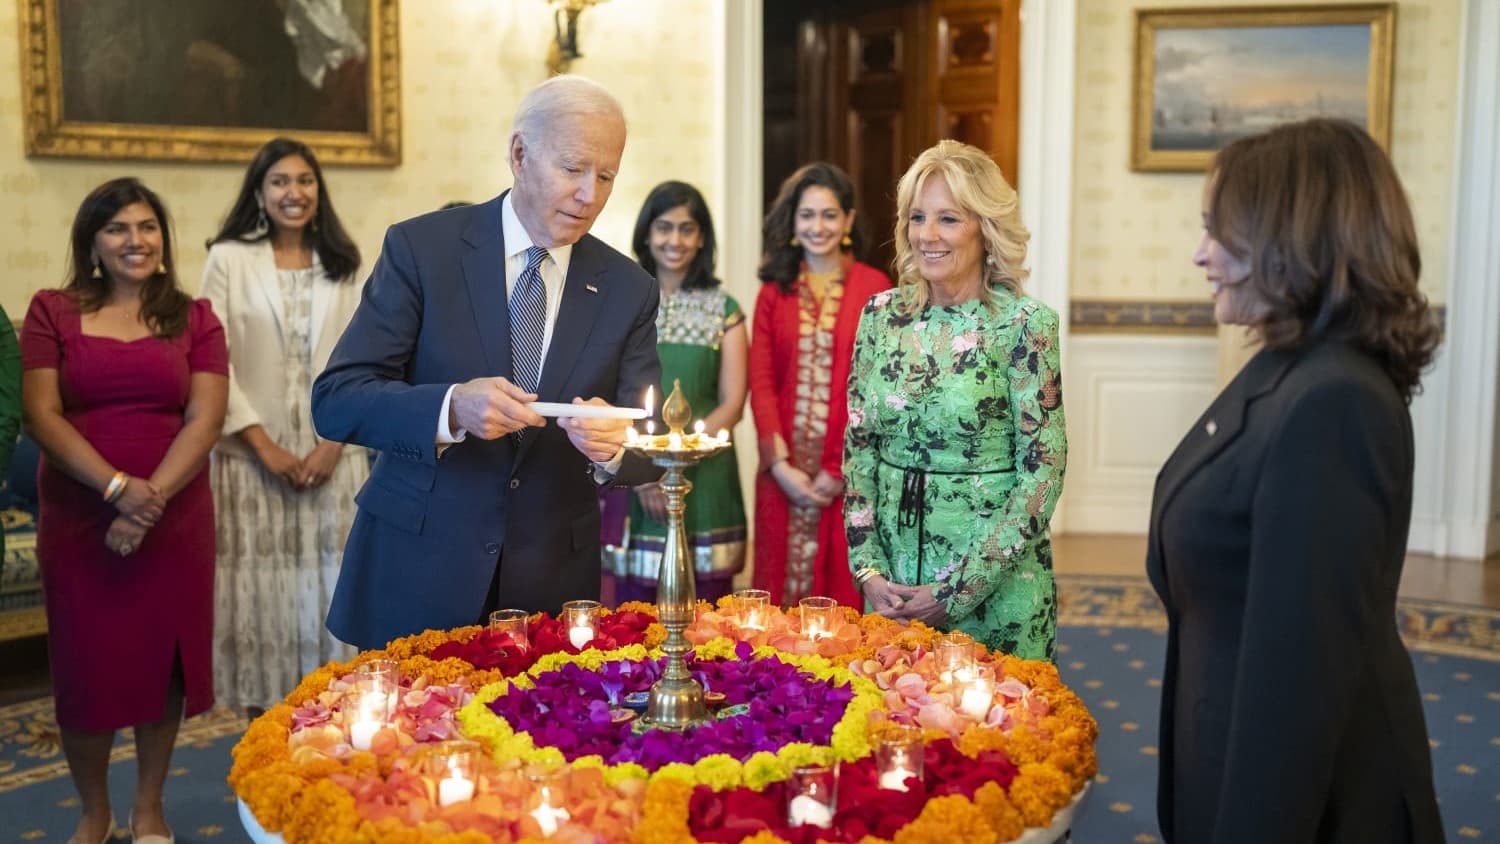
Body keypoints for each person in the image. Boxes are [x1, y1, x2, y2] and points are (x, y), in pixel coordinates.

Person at [1146, 118, 1443, 842]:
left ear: (1290, 240)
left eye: (1220, 232)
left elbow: (1297, 691)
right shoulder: (1289, 369)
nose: (1201, 256)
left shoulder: (1332, 402)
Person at [311, 75, 661, 650]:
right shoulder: (423, 250)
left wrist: (616, 447)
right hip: (419, 563)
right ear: (520, 154)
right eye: (573, 169)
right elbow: (338, 398)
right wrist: (449, 408)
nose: (589, 195)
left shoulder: (628, 287)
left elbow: (654, 441)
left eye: (606, 176)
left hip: (549, 585)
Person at [21, 178, 228, 844]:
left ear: (163, 241)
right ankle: (92, 811)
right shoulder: (52, 310)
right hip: (81, 518)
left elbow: (205, 418)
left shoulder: (195, 317)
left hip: (175, 517)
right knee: (85, 668)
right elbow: (41, 415)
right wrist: (116, 489)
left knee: (160, 664)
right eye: (116, 229)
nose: (133, 240)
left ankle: (148, 809)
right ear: (93, 243)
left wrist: (148, 501)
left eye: (146, 227)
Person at [841, 141, 1066, 659]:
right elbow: (858, 452)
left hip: (996, 590)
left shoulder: (1025, 326)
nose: (927, 235)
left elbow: (1044, 471)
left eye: (948, 218)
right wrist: (869, 571)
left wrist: (958, 590)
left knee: (998, 735)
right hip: (893, 588)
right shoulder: (879, 316)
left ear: (985, 229)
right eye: (917, 217)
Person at [201, 137, 367, 714]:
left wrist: (331, 444)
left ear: (318, 192)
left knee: (332, 600)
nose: (293, 193)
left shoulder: (344, 265)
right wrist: (263, 445)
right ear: (259, 192)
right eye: (279, 182)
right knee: (261, 608)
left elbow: (365, 357)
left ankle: (339, 742)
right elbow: (211, 358)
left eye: (304, 181)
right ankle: (262, 748)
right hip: (252, 466)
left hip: (336, 463)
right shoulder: (228, 258)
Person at [749, 162, 891, 608]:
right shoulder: (774, 293)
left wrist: (838, 468)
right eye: (807, 215)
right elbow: (762, 380)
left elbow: (875, 386)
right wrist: (780, 466)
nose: (818, 227)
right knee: (776, 602)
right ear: (792, 221)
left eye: (829, 215)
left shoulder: (876, 288)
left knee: (843, 596)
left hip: (850, 477)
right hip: (783, 477)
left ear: (848, 220)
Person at [604, 181, 748, 605]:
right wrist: (644, 471)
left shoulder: (724, 308)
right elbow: (609, 392)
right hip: (634, 475)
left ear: (702, 237)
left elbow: (733, 403)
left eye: (687, 228)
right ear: (647, 233)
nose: (675, 240)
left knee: (708, 615)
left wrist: (677, 461)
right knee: (633, 614)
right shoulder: (621, 302)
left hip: (705, 473)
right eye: (664, 227)